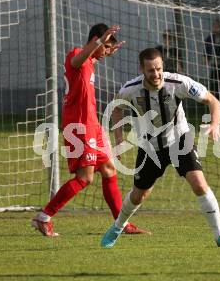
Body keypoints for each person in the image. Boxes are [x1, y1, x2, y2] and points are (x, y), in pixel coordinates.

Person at [100, 48, 220, 249]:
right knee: (139, 194)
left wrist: (215, 124)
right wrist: (119, 140)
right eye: (150, 70)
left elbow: (212, 101)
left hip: (179, 140)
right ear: (142, 69)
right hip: (150, 147)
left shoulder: (179, 83)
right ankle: (117, 227)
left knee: (199, 184)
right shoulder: (130, 89)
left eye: (158, 69)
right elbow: (116, 108)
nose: (155, 74)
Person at [31, 23, 149, 237]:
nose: (105, 53)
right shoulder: (76, 55)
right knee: (85, 178)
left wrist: (104, 50)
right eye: (105, 47)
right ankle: (44, 217)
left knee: (109, 170)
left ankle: (122, 224)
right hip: (79, 126)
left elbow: (90, 59)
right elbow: (79, 59)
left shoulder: (90, 63)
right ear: (98, 39)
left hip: (92, 125)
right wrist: (100, 43)